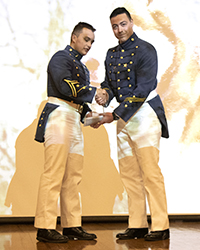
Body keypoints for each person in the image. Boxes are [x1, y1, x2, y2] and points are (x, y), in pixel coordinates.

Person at [95, 7, 170, 241]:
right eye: (115, 26)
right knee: (129, 174)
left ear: (132, 22)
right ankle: (137, 224)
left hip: (145, 113)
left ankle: (160, 226)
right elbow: (109, 83)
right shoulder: (111, 54)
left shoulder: (146, 50)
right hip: (122, 117)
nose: (119, 30)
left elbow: (143, 88)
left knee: (150, 173)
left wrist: (114, 114)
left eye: (123, 24)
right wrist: (105, 94)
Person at [34, 22, 100, 243]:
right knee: (53, 173)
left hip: (73, 116)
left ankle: (71, 225)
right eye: (86, 39)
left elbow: (78, 99)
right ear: (74, 38)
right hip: (59, 114)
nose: (89, 45)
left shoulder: (80, 66)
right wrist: (94, 92)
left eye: (91, 41)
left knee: (73, 176)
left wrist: (92, 116)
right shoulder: (61, 58)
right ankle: (45, 226)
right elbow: (65, 87)